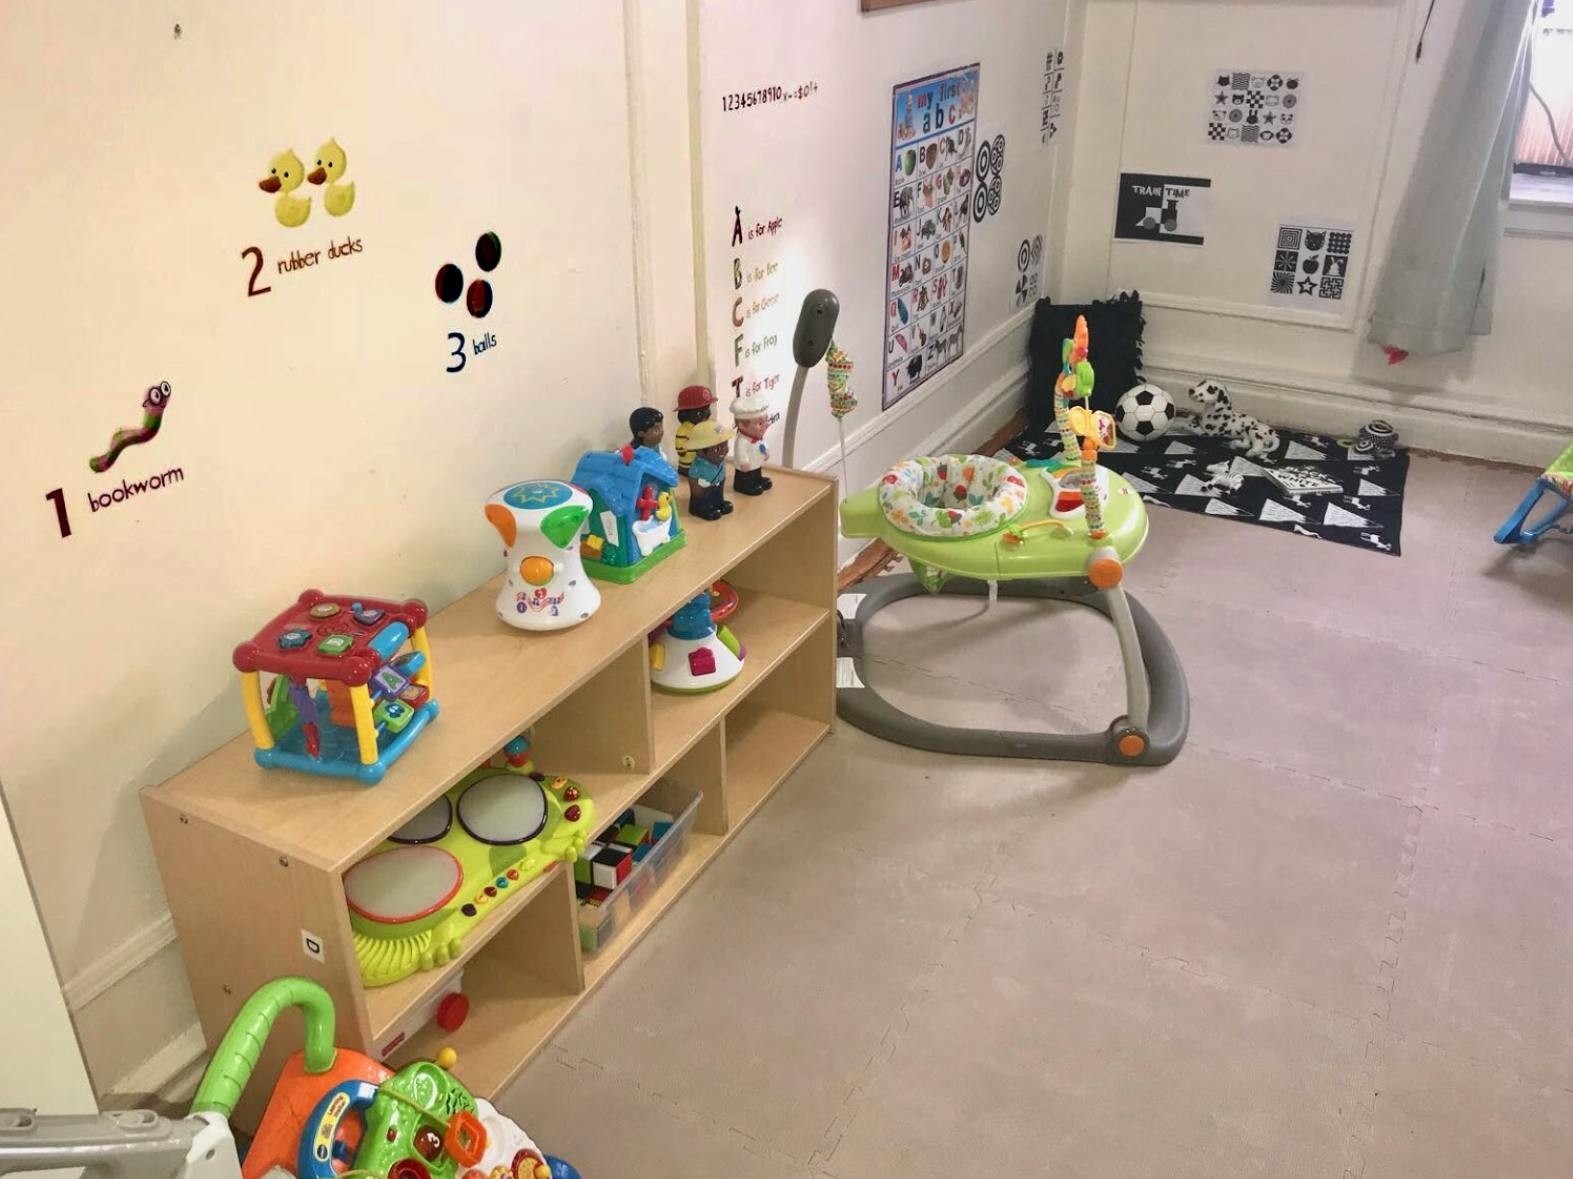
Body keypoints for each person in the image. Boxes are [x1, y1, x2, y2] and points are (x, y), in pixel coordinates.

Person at [684, 419, 734, 520]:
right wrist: (700, 487)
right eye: (718, 449)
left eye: (726, 445)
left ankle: (718, 503)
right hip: (704, 492)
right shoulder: (697, 467)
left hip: (717, 485)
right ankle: (700, 509)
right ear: (701, 451)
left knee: (718, 495)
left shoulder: (719, 461)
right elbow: (695, 486)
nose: (725, 451)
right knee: (702, 500)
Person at [729, 393, 774, 496]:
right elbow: (741, 452)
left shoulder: (758, 438)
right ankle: (743, 486)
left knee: (756, 472)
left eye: (766, 421)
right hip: (746, 468)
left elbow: (762, 444)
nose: (765, 425)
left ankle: (757, 480)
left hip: (756, 463)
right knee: (746, 476)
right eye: (760, 423)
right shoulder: (742, 441)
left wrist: (766, 451)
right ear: (741, 426)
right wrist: (744, 462)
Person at [674, 384, 716, 475]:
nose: (706, 414)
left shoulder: (701, 426)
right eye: (700, 412)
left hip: (701, 465)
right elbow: (680, 449)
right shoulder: (684, 429)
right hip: (689, 466)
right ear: (685, 414)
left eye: (707, 409)